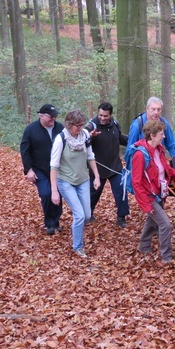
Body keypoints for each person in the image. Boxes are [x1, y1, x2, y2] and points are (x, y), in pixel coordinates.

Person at [50, 109, 101, 258]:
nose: (79, 128)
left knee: (86, 215)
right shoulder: (61, 139)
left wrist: (96, 177)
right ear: (69, 124)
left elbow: (91, 157)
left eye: (81, 125)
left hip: (83, 180)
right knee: (79, 215)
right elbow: (53, 166)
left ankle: (76, 234)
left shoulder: (85, 136)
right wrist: (54, 191)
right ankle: (78, 247)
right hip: (65, 181)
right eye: (77, 125)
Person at [132, 120, 175, 263]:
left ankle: (144, 245)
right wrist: (146, 205)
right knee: (165, 224)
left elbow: (165, 168)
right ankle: (167, 257)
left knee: (153, 221)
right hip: (149, 196)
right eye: (161, 134)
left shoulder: (159, 150)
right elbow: (136, 182)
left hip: (159, 193)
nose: (164, 136)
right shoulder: (140, 155)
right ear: (152, 135)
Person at [20, 104, 65, 235]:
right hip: (39, 169)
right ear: (41, 116)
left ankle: (56, 221)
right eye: (51, 116)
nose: (53, 119)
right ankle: (49, 223)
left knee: (58, 194)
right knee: (46, 193)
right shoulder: (31, 129)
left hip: (57, 168)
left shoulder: (60, 128)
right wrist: (28, 170)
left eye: (55, 116)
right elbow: (25, 150)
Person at [84, 102, 130, 228]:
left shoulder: (115, 124)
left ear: (110, 115)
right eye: (100, 115)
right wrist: (90, 136)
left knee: (121, 191)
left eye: (105, 116)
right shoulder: (91, 126)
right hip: (98, 169)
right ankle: (88, 214)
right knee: (93, 193)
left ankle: (121, 217)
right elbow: (81, 138)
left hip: (115, 166)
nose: (102, 118)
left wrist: (133, 141)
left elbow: (120, 138)